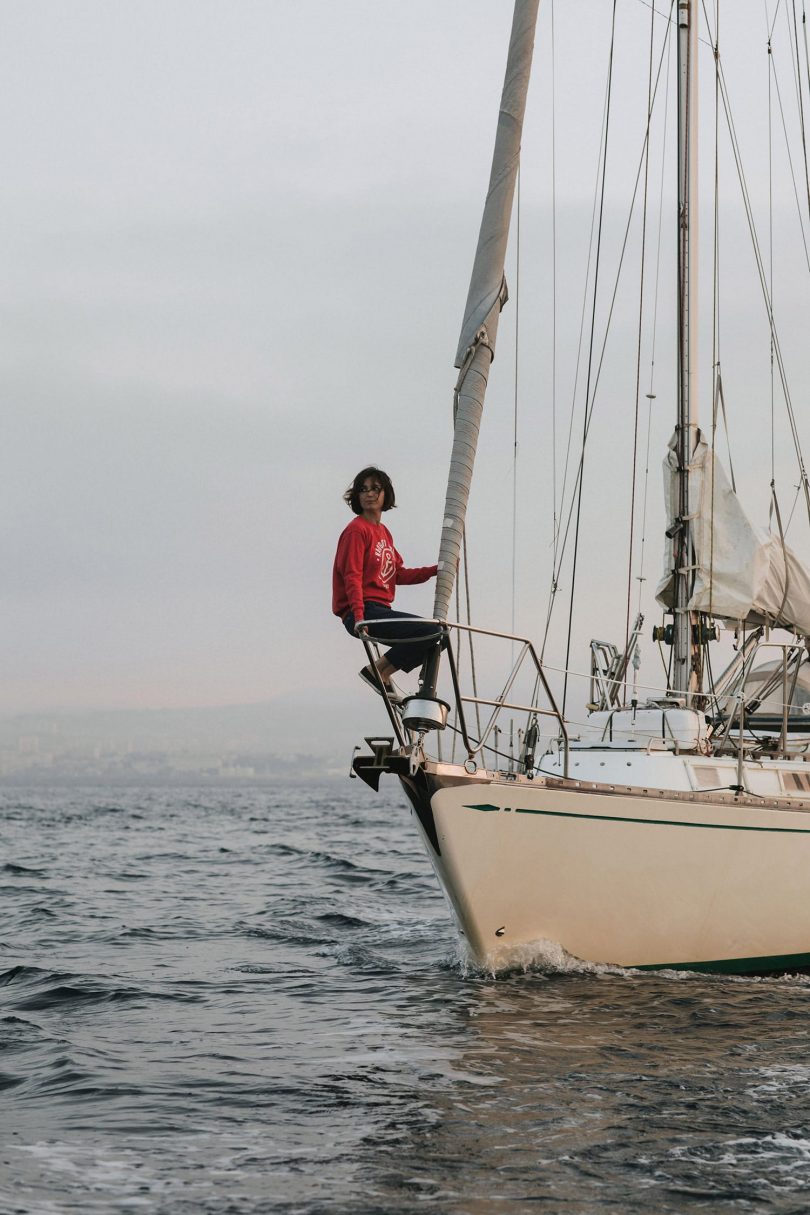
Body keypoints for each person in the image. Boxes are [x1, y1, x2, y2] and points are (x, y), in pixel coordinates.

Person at [332, 467, 440, 698]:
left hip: (379, 609)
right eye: (363, 490)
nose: (369, 494)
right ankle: (377, 671)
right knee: (430, 630)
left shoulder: (383, 532)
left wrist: (436, 570)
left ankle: (383, 672)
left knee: (438, 636)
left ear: (385, 495)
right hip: (360, 610)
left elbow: (397, 574)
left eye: (375, 489)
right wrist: (360, 616)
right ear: (357, 497)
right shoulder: (356, 531)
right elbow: (351, 575)